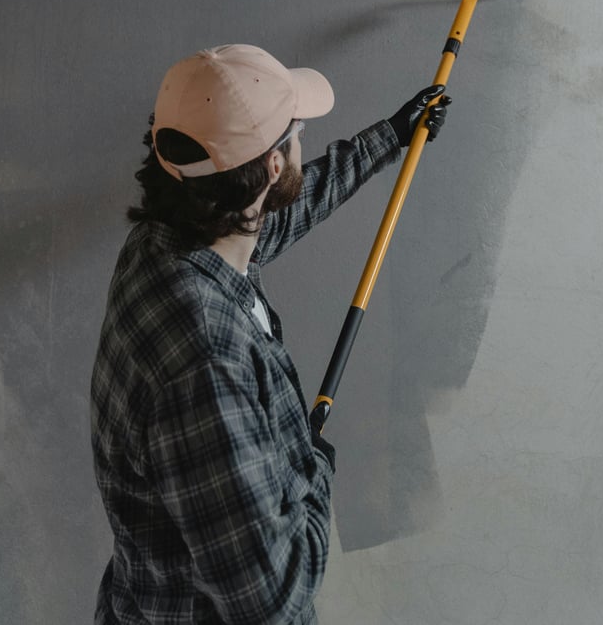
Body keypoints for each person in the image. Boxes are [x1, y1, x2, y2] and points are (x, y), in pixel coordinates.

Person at [91, 43, 450, 625]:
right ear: (274, 167)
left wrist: (390, 138)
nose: (303, 139)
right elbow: (273, 598)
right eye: (297, 132)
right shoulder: (207, 363)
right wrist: (314, 466)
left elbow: (273, 221)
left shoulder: (167, 244)